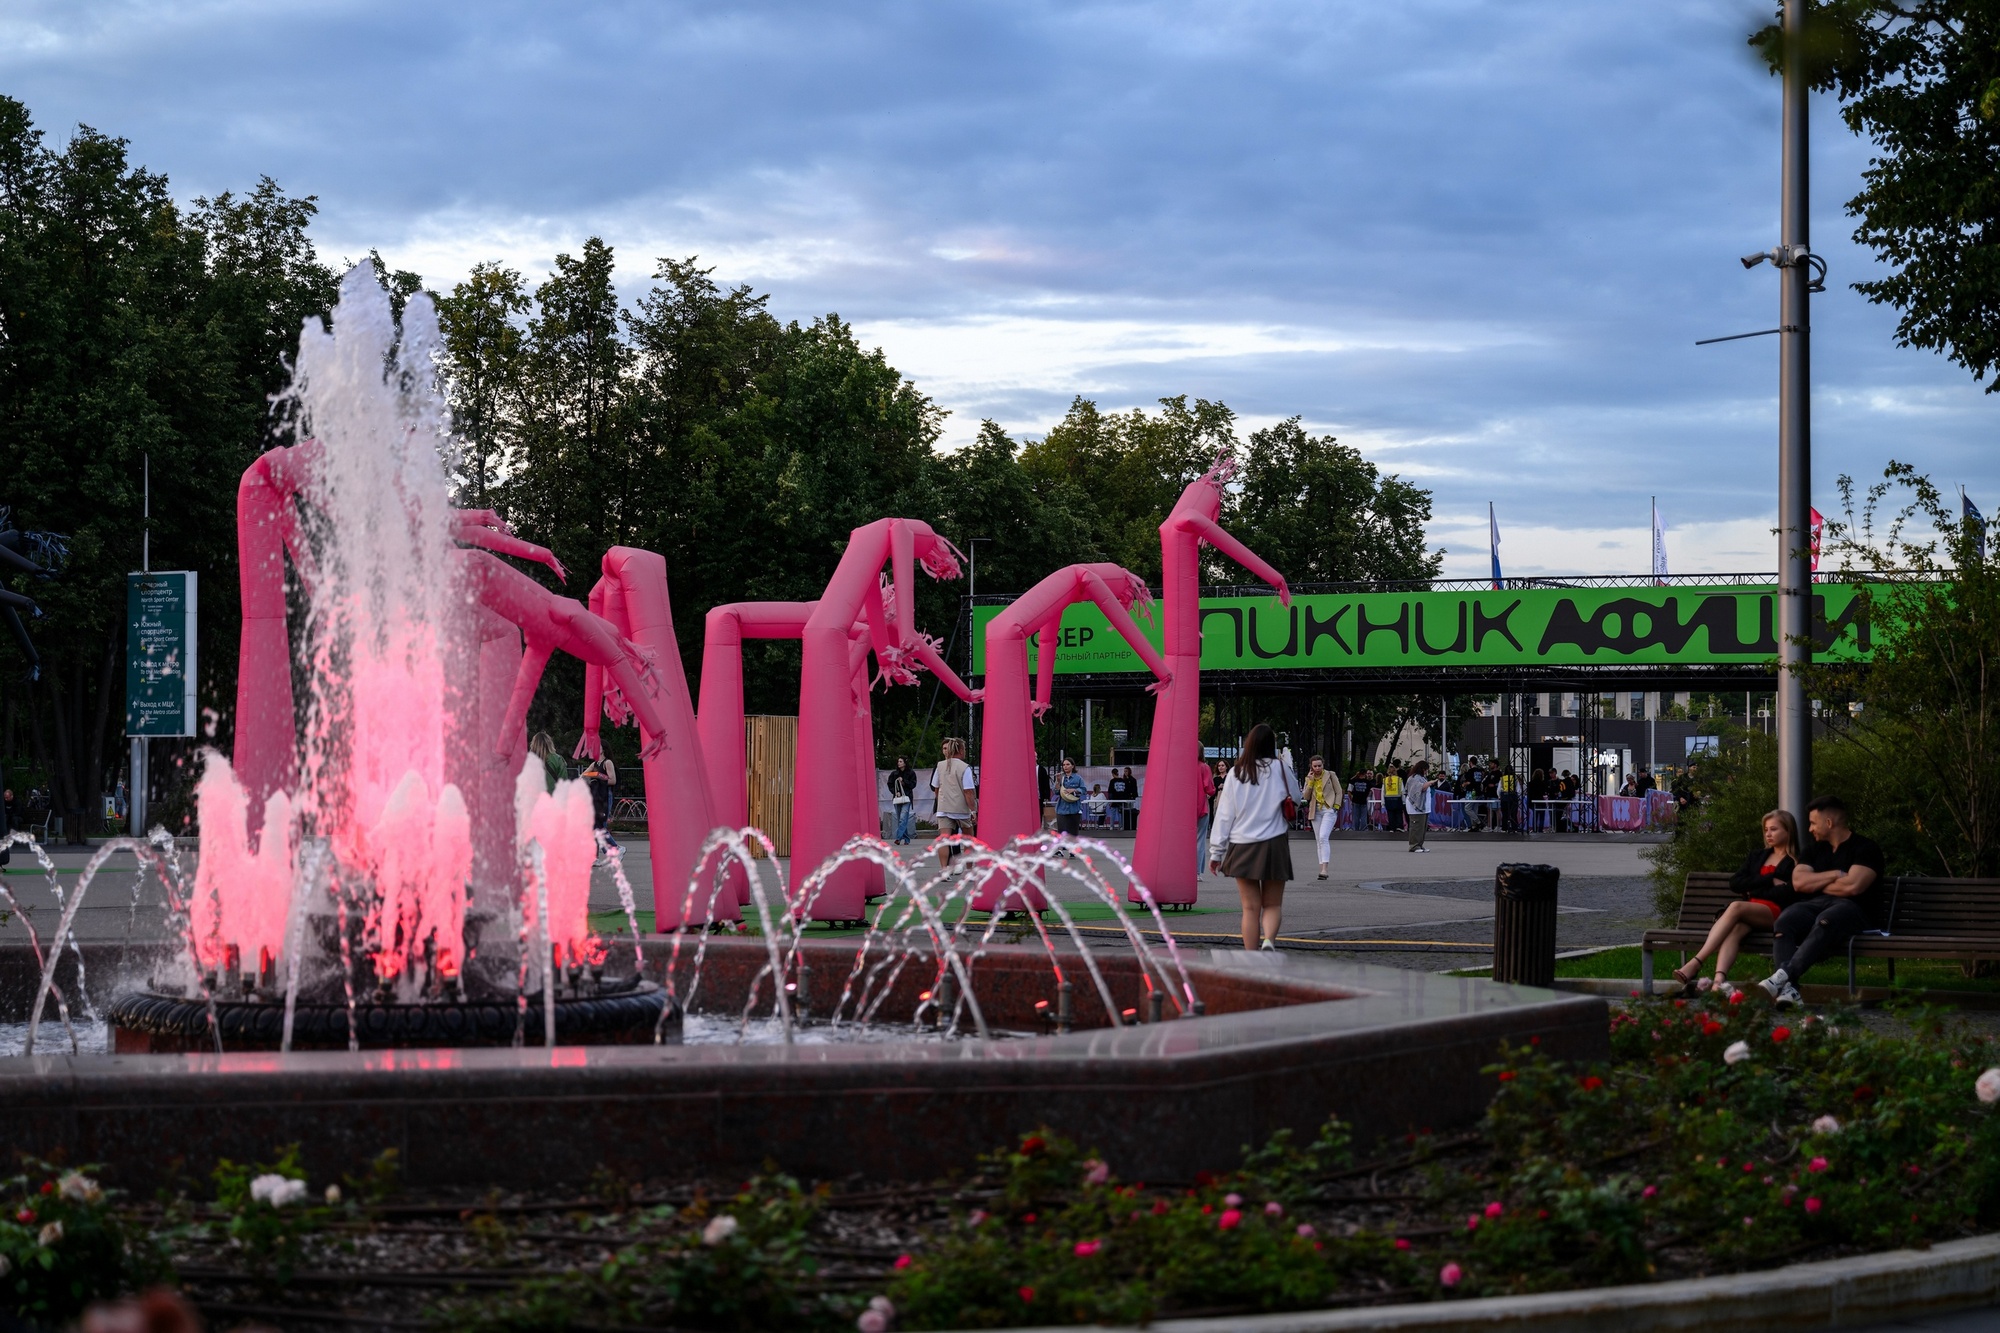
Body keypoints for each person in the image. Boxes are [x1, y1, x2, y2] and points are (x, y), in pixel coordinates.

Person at [1759, 795, 1887, 1008]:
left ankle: (1783, 976)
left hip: (1855, 910)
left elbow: (1853, 887)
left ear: (1828, 822)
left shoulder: (1866, 848)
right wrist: (1837, 874)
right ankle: (1790, 990)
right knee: (1785, 920)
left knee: (1827, 918)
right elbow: (1799, 882)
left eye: (1812, 823)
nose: (1810, 829)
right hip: (1815, 906)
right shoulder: (1814, 850)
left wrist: (1816, 882)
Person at [1672, 810, 1802, 991]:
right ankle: (1718, 982)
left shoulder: (1795, 861)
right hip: (1751, 910)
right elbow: (1735, 883)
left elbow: (1786, 894)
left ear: (1788, 831)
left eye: (1774, 829)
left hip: (1776, 913)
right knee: (1736, 929)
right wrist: (1769, 880)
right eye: (1766, 830)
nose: (1768, 834)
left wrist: (1753, 888)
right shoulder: (1757, 856)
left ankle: (1697, 961)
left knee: (1736, 907)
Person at [1209, 724, 1302, 951]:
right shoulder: (1282, 769)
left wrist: (1216, 852)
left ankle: (1250, 955)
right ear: (1272, 745)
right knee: (1272, 904)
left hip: (1242, 844)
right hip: (1275, 842)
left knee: (1250, 908)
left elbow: (1224, 815)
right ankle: (1268, 941)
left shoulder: (1236, 773)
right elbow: (1297, 798)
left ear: (1248, 744)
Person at [931, 738, 977, 874]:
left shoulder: (940, 766)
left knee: (944, 839)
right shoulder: (964, 767)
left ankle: (944, 870)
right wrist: (973, 810)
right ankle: (969, 869)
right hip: (961, 808)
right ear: (961, 750)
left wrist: (940, 801)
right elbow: (968, 791)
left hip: (943, 807)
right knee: (968, 839)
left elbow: (936, 788)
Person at [1302, 755, 1339, 879]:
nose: (1317, 768)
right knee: (1319, 840)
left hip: (1328, 809)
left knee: (1323, 837)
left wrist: (1336, 806)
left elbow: (1339, 791)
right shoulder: (1309, 778)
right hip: (1315, 811)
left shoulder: (1330, 775)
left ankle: (1325, 869)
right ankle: (1321, 869)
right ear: (1311, 767)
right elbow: (1306, 797)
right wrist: (1310, 782)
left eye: (1319, 765)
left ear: (1323, 765)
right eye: (1315, 766)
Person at [1052, 758, 1086, 848]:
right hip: (1061, 809)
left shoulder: (1078, 778)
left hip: (1074, 809)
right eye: (1064, 765)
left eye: (1067, 764)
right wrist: (1058, 781)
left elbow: (1083, 790)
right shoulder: (1061, 778)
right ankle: (1061, 849)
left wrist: (1074, 790)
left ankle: (1073, 850)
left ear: (1072, 766)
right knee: (1062, 831)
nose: (1065, 767)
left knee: (1073, 832)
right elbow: (1056, 792)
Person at [886, 756, 918, 844]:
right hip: (897, 798)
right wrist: (895, 792)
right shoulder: (894, 774)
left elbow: (913, 785)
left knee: (903, 818)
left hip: (907, 798)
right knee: (900, 819)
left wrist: (904, 781)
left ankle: (898, 837)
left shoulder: (911, 773)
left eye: (900, 761)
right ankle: (907, 839)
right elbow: (890, 784)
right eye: (898, 761)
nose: (899, 763)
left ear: (905, 763)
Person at [1194, 758, 1218, 879]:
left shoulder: (1184, 766)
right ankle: (1197, 872)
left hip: (1184, 809)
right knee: (1200, 839)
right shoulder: (1204, 767)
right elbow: (1210, 789)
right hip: (1201, 807)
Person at [1404, 759, 1433, 853]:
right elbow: (1420, 788)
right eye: (1426, 769)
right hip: (1415, 807)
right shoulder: (1414, 778)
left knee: (1422, 827)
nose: (1426, 772)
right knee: (1416, 827)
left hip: (1423, 807)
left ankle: (1419, 844)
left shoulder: (1422, 778)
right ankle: (1414, 845)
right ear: (1422, 769)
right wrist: (1430, 783)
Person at [1382, 764, 1405, 832]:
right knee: (1398, 813)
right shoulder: (1399, 779)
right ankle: (1399, 827)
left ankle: (1392, 828)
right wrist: (1404, 801)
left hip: (1388, 799)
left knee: (1390, 814)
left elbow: (1383, 791)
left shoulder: (1385, 780)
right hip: (1397, 799)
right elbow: (1402, 791)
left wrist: (1383, 803)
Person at [1498, 765, 1519, 832]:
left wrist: (1499, 796)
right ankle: (1514, 828)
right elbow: (1519, 790)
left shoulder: (1502, 779)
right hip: (1513, 797)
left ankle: (1504, 828)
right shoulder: (1515, 778)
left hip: (1504, 797)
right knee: (1513, 814)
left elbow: (1499, 789)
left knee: (1505, 814)